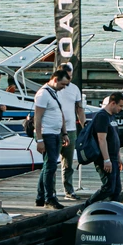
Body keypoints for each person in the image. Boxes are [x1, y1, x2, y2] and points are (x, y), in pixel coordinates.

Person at [81, 92, 123, 210]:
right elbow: (102, 139)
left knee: (116, 189)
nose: (122, 109)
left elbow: (115, 138)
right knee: (108, 187)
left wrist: (118, 157)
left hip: (114, 157)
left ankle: (114, 211)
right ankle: (86, 207)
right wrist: (106, 160)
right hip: (104, 157)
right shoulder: (102, 116)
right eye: (120, 106)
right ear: (112, 103)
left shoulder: (112, 116)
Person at [34, 69, 71, 209]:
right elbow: (37, 118)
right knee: (51, 167)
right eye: (63, 84)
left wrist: (64, 133)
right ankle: (50, 198)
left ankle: (40, 197)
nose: (64, 87)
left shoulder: (54, 92)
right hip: (47, 133)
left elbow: (59, 113)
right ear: (55, 79)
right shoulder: (43, 94)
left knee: (47, 166)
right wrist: (39, 139)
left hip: (56, 133)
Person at [56, 63, 86, 201]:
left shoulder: (75, 89)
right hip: (55, 129)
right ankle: (48, 193)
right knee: (50, 163)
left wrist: (84, 125)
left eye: (70, 76)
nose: (68, 79)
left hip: (71, 129)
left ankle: (69, 190)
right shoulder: (53, 88)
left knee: (68, 163)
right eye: (66, 76)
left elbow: (79, 108)